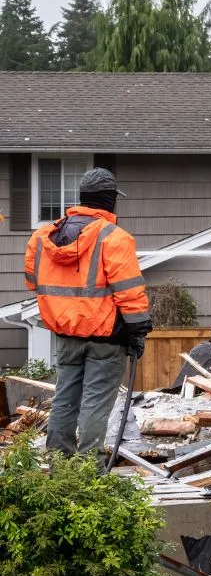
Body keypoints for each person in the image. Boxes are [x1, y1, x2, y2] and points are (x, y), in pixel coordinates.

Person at [24, 167, 152, 455]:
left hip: (66, 334)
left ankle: (60, 466)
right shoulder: (114, 238)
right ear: (109, 201)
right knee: (95, 404)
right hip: (107, 338)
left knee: (64, 399)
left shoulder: (43, 237)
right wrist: (138, 331)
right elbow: (129, 292)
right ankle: (88, 471)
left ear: (81, 197)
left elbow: (32, 281)